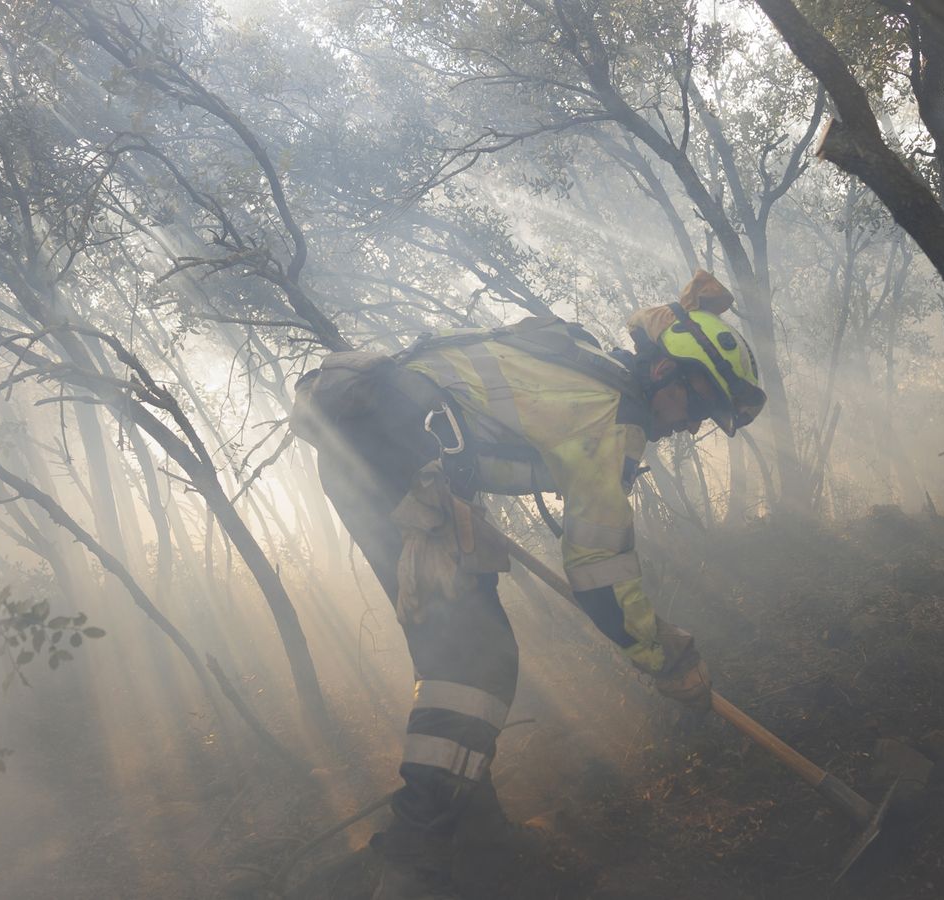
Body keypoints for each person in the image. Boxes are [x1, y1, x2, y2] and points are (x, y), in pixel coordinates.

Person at [291, 270, 766, 899]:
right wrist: (667, 656)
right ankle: (414, 869)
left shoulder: (584, 360)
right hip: (398, 461)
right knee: (477, 665)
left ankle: (469, 841)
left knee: (458, 656)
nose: (691, 425)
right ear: (663, 373)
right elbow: (599, 573)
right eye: (697, 405)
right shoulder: (613, 418)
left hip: (379, 447)